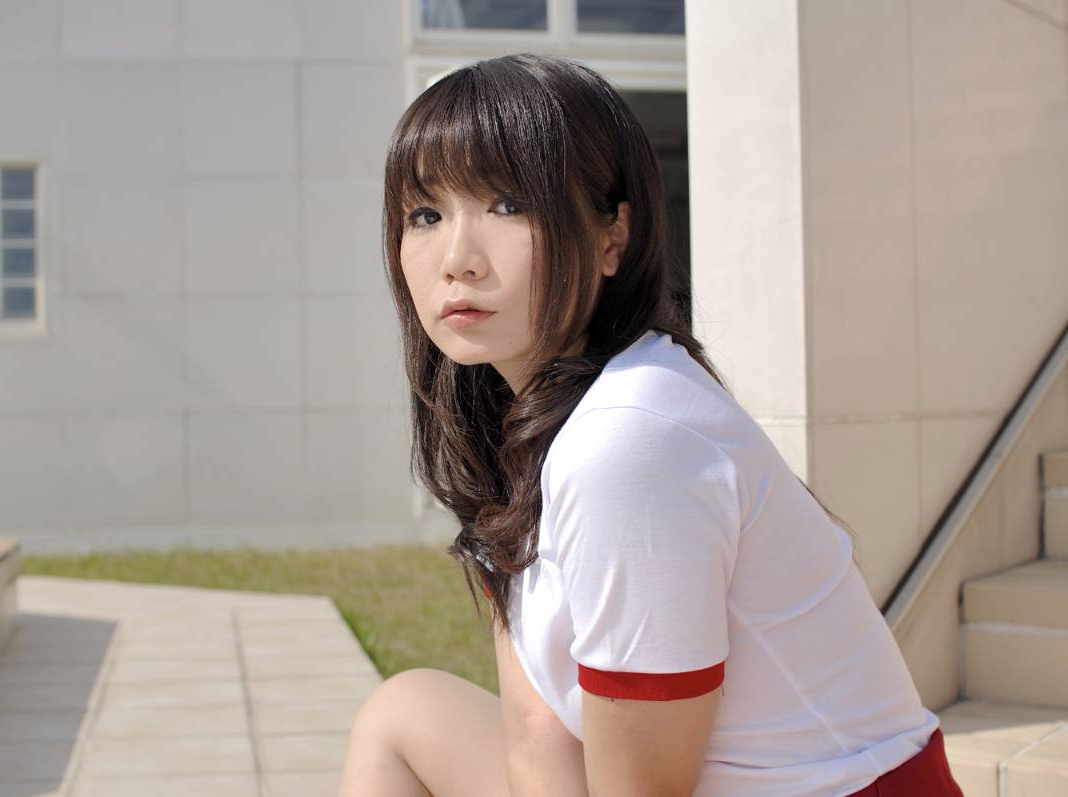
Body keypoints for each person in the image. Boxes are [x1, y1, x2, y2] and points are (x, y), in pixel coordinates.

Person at [338, 53, 964, 797]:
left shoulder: (628, 440)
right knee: (403, 712)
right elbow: (539, 735)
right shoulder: (533, 423)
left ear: (613, 236)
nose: (457, 259)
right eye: (425, 215)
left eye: (509, 205)